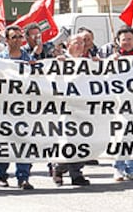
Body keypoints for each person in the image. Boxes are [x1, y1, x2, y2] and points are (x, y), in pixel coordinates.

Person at [0, 25, 35, 190]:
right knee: (3, 142)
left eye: (20, 37)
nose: (18, 40)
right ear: (6, 40)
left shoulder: (30, 59)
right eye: (14, 37)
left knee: (24, 142)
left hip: (24, 108)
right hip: (4, 107)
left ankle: (23, 177)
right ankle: (2, 175)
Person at [51, 34, 90, 187]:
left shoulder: (87, 61)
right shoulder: (60, 61)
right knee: (66, 141)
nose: (80, 45)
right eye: (76, 42)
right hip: (64, 110)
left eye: (82, 42)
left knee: (82, 141)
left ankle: (77, 173)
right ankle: (58, 168)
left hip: (83, 109)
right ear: (68, 45)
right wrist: (57, 66)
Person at [107, 27, 133, 181]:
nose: (127, 42)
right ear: (118, 41)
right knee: (120, 137)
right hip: (119, 106)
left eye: (130, 39)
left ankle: (132, 168)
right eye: (124, 39)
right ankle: (118, 168)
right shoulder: (113, 58)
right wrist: (110, 62)